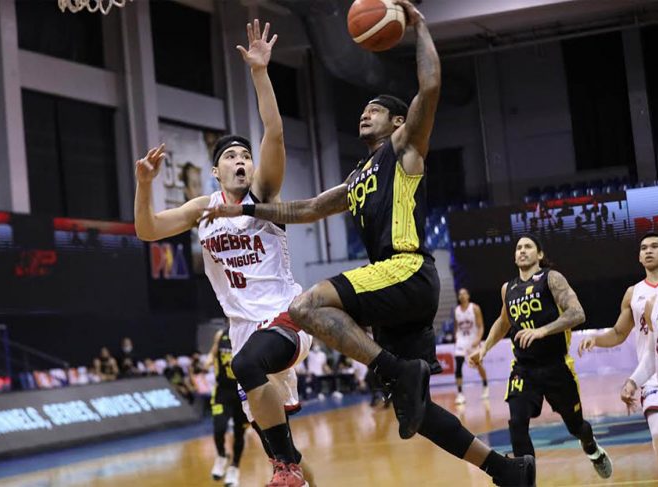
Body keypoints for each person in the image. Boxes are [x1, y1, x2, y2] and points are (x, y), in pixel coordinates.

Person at [203, 2, 534, 484]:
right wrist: (248, 209)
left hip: (407, 269)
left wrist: (419, 28)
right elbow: (307, 209)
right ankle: (504, 468)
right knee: (415, 412)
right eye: (363, 108)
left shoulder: (404, 151)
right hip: (392, 297)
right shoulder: (359, 176)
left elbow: (431, 86)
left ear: (399, 124)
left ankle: (396, 372)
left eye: (375, 109)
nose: (365, 113)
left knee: (307, 305)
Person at [134, 20, 314, 487]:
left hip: (286, 316)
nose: (241, 160)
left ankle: (288, 467)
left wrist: (259, 73)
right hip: (243, 330)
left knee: (247, 365)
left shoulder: (264, 196)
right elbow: (148, 229)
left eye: (244, 155)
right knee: (269, 433)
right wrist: (144, 185)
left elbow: (273, 132)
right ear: (216, 171)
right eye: (231, 156)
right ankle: (291, 470)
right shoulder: (202, 208)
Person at [471, 234, 612, 479]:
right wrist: (483, 349)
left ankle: (592, 449)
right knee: (516, 423)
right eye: (518, 247)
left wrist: (542, 331)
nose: (522, 251)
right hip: (524, 368)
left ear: (539, 254)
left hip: (556, 366)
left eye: (528, 247)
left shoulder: (551, 279)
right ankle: (525, 481)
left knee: (576, 426)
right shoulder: (508, 288)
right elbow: (503, 322)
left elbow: (577, 313)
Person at [579, 231, 658, 469]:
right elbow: (619, 333)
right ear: (639, 257)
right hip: (650, 375)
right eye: (643, 248)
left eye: (654, 246)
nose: (648, 251)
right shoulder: (634, 293)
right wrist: (596, 340)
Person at [621, 235, 658, 486]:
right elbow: (654, 350)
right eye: (644, 248)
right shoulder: (650, 301)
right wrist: (632, 381)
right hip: (657, 380)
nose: (652, 251)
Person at [204, 328, 248, 487]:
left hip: (242, 391)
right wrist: (208, 361)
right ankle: (222, 456)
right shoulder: (221, 333)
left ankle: (234, 468)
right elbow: (214, 351)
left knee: (239, 432)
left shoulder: (248, 332)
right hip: (222, 391)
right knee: (219, 427)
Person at [453, 288, 488, 405]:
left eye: (464, 294)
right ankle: (460, 394)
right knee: (458, 365)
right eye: (460, 294)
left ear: (468, 296)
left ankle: (485, 384)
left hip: (473, 339)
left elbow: (481, 326)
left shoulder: (475, 308)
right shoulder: (457, 310)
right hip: (461, 340)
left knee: (478, 364)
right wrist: (456, 338)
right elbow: (456, 327)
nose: (462, 296)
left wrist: (478, 339)